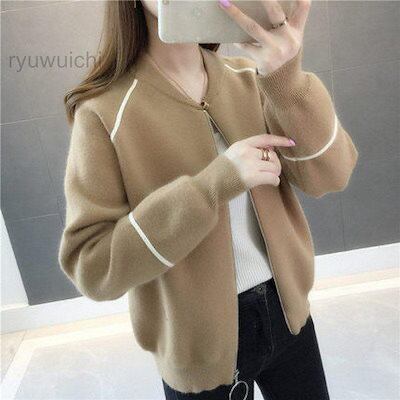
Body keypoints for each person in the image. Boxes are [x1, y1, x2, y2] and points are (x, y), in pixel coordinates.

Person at [58, 0, 358, 399]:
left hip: (289, 318)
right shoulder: (102, 113)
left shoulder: (253, 78)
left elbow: (332, 176)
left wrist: (286, 80)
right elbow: (92, 266)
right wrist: (214, 184)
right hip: (196, 347)